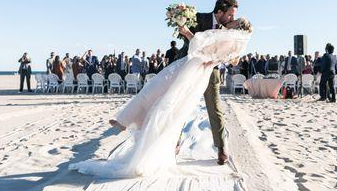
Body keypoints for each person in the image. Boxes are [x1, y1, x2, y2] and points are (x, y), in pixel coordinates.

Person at [71, 17, 252, 178]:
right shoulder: (230, 39)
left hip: (193, 70)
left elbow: (204, 50)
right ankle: (130, 120)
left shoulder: (229, 39)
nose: (231, 20)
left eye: (235, 21)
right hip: (193, 68)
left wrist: (186, 31)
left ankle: (133, 124)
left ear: (239, 28)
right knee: (160, 95)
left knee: (163, 99)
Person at [174, 0, 239, 165]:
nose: (232, 19)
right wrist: (182, 25)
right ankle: (175, 142)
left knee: (215, 106)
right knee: (181, 104)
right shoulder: (199, 18)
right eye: (230, 15)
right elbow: (185, 38)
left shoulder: (228, 30)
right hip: (190, 67)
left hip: (212, 71)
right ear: (219, 12)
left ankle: (222, 148)